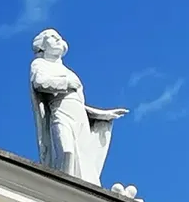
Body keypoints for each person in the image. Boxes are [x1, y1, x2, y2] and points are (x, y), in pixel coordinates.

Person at [29, 28, 127, 184]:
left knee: (84, 159)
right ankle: (62, 190)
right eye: (53, 37)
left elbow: (79, 103)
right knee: (67, 152)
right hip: (60, 113)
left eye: (59, 37)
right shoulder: (40, 64)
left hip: (79, 116)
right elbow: (39, 82)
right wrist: (66, 83)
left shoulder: (67, 70)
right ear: (43, 45)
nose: (58, 39)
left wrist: (102, 115)